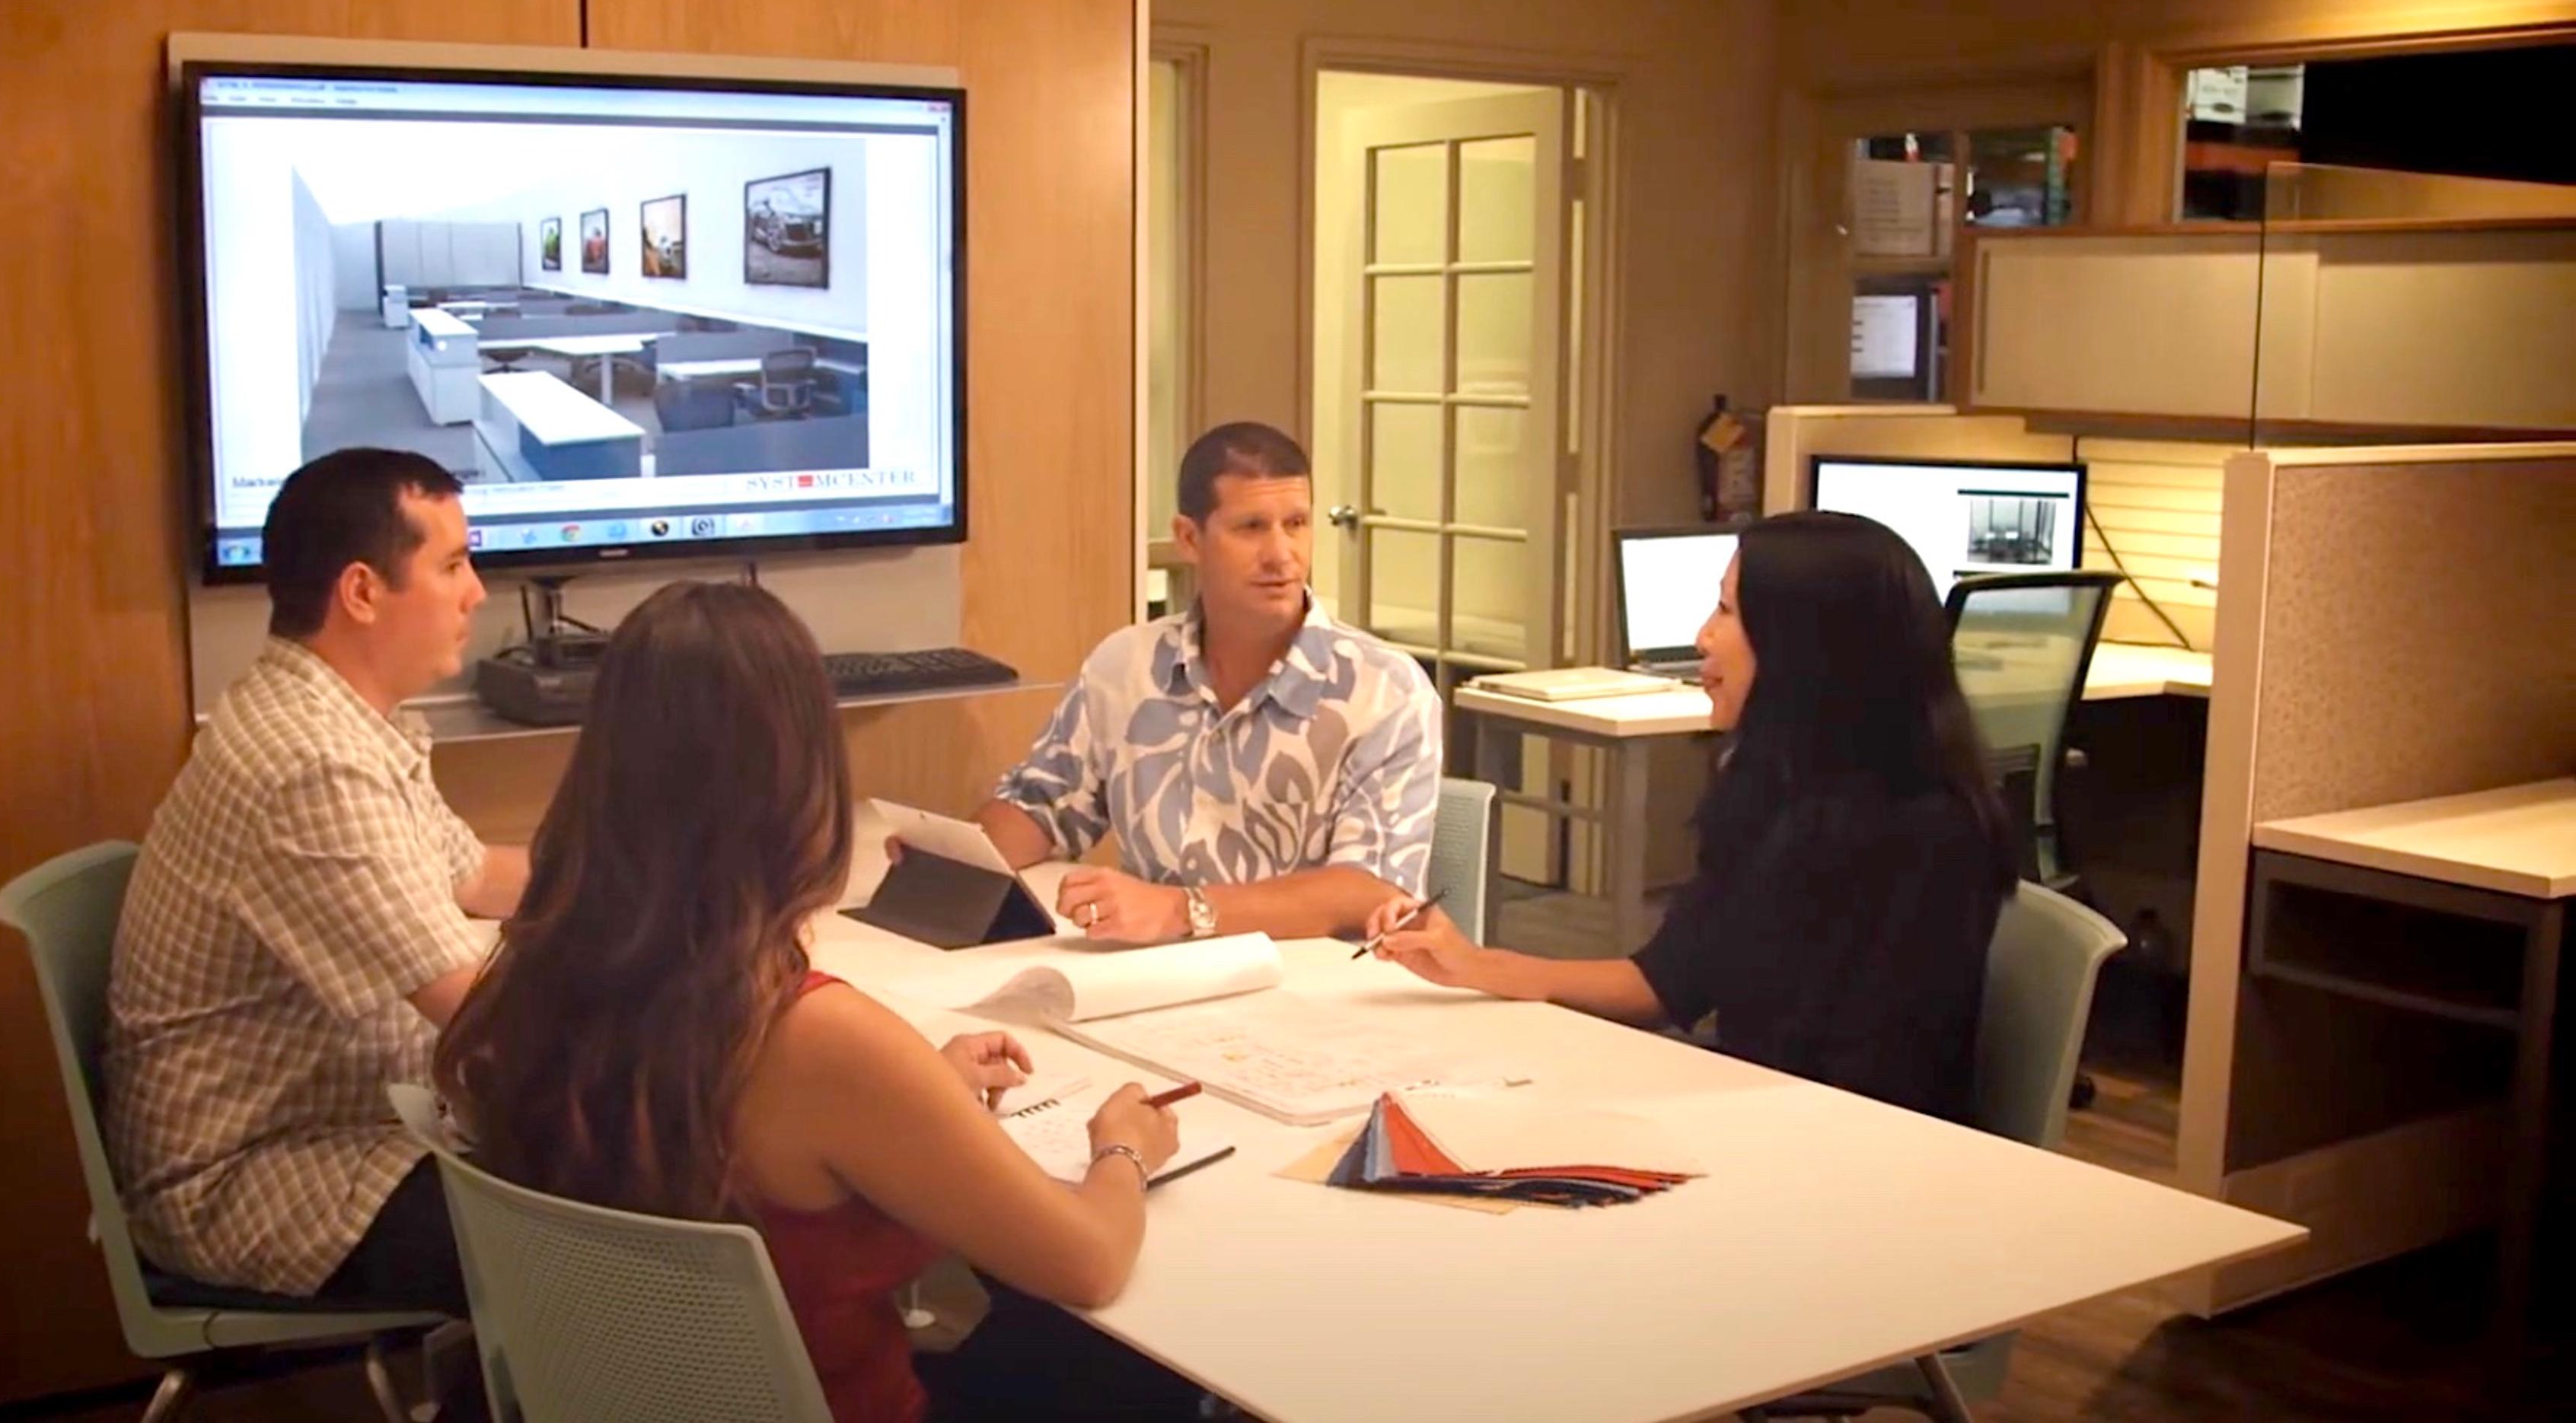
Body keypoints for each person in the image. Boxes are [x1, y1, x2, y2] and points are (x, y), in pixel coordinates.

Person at [435, 581, 1194, 1423]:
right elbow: (1088, 1260)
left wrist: (916, 1093)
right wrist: (1123, 1151)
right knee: (1140, 1373)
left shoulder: (528, 977)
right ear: (802, 773)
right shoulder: (810, 1036)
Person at [1367, 511, 2018, 1123]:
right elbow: (1664, 981)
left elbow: (1869, 1087)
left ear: (1805, 645)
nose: (1704, 636)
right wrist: (1472, 964)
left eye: (1728, 610)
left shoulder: (1931, 835)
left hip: (1842, 1158)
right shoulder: (1772, 791)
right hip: (1754, 1117)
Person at [106, 447, 529, 1312]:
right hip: (267, 1176)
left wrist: (663, 873)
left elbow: (480, 877)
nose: (476, 591)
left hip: (357, 1125)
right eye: (452, 564)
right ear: (364, 592)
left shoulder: (341, 722)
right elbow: (490, 1017)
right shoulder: (309, 763)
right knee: (633, 1219)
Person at [973, 422, 1443, 943]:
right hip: (1161, 979)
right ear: (1189, 538)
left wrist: (1180, 911)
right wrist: (948, 860)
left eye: (1296, 523)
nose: (1282, 553)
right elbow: (1041, 807)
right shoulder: (1126, 665)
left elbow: (1371, 890)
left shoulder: (1385, 690)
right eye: (1251, 527)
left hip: (1317, 989)